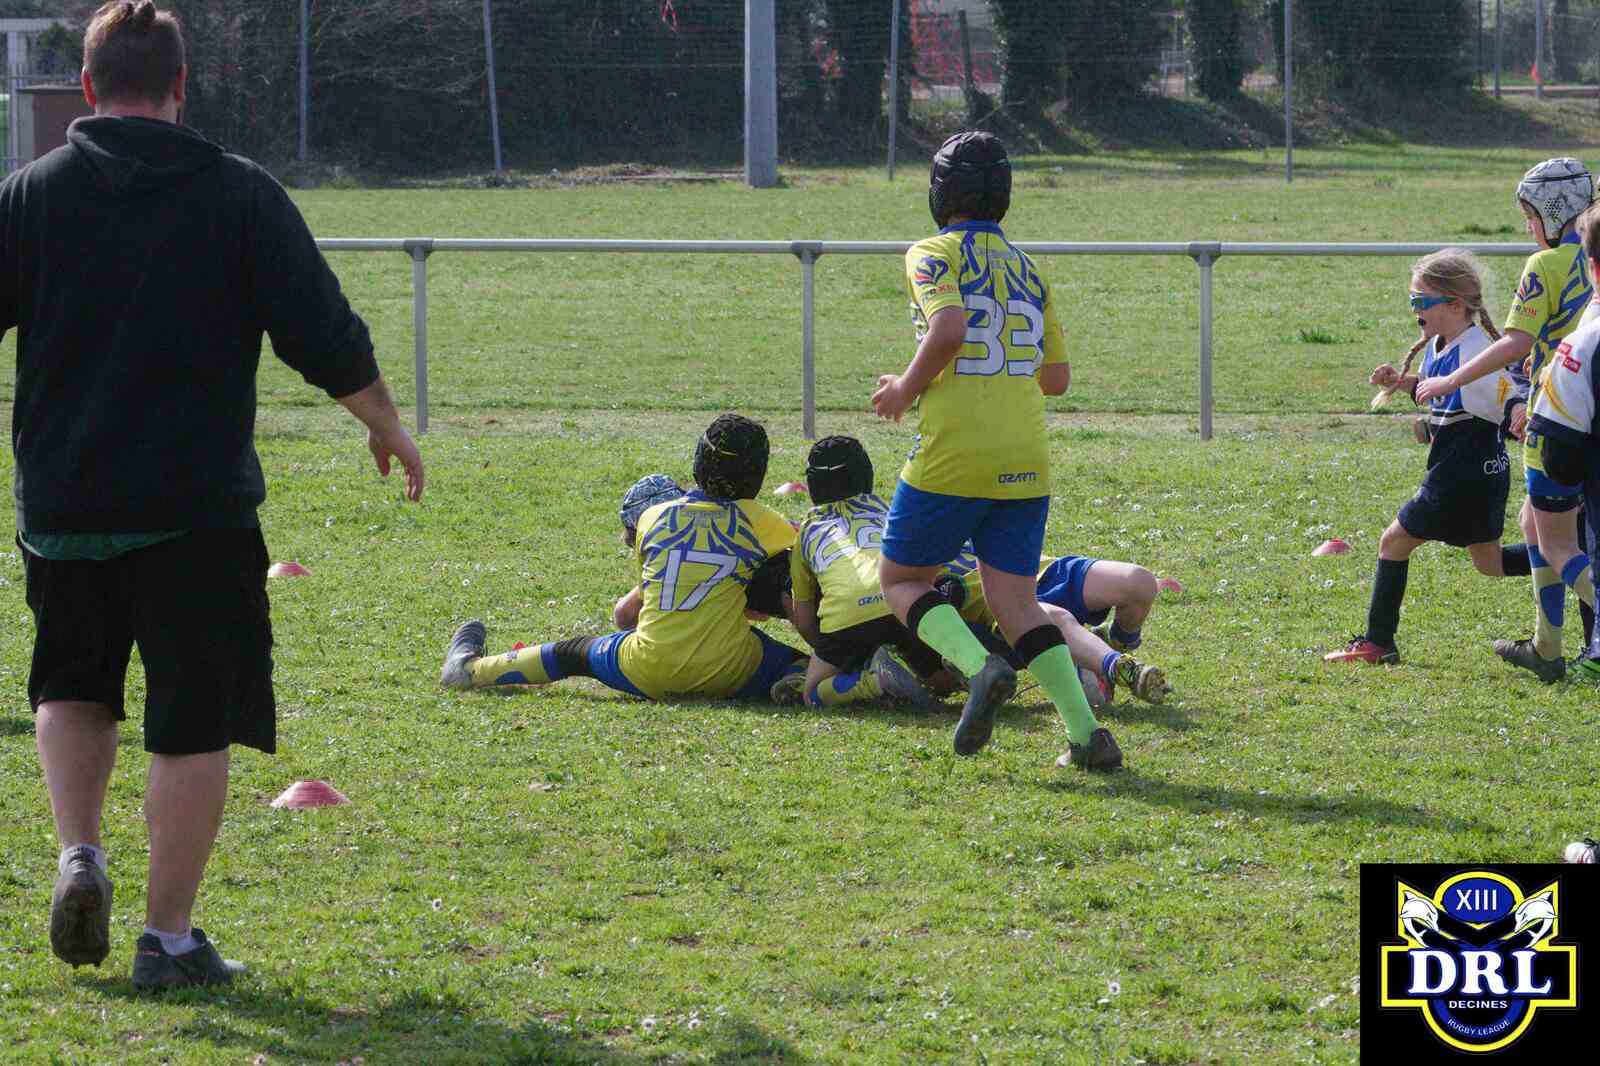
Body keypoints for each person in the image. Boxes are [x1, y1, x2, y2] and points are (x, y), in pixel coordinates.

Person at [0, 1, 424, 988]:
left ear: (89, 87)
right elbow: (322, 329)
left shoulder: (29, 196)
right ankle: (170, 939)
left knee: (72, 686)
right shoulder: (240, 195)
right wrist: (384, 423)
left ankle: (79, 851)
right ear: (182, 87)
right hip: (196, 511)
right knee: (191, 721)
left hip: (64, 507)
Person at [871, 130, 1120, 770]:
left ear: (938, 192)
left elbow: (949, 327)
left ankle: (979, 666)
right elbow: (1056, 378)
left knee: (900, 580)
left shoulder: (931, 252)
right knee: (1016, 604)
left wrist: (905, 388)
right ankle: (1086, 736)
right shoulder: (1030, 268)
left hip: (954, 453)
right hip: (1026, 458)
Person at [442, 414, 807, 701]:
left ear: (698, 460)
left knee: (573, 653)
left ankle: (471, 671)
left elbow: (641, 604)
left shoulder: (652, 517)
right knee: (799, 657)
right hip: (729, 670)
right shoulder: (765, 521)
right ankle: (801, 680)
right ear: (758, 474)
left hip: (646, 667)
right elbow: (808, 551)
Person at [1418, 159, 1597, 681]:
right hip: (1592, 405)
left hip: (1556, 410)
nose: (1528, 227)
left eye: (1530, 216)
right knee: (1533, 524)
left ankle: (1551, 646)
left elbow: (1517, 342)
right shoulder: (1592, 256)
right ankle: (1546, 646)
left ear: (1552, 213)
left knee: (1555, 539)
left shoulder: (1545, 264)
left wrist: (1450, 380)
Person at [1326, 249, 1529, 665]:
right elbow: (1444, 387)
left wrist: (1517, 412)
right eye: (1412, 301)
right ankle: (1569, 559)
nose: (1414, 309)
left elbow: (1503, 390)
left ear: (1455, 304)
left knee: (1393, 541)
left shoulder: (1476, 351)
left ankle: (1378, 643)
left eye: (1421, 301)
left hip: (1459, 476)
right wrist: (1403, 383)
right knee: (1489, 563)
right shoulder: (1442, 343)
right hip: (1483, 475)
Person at [780, 435, 950, 709]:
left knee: (812, 694)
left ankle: (872, 681)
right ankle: (949, 676)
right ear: (866, 474)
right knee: (940, 685)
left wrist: (832, 654)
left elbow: (804, 619)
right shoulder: (887, 509)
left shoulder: (807, 531)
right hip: (904, 602)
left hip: (848, 617)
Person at [939, 554, 1172, 705]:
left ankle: (1106, 643)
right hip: (1000, 611)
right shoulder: (916, 551)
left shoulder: (956, 512)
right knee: (1050, 619)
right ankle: (1123, 669)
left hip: (1043, 572)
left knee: (1140, 582)